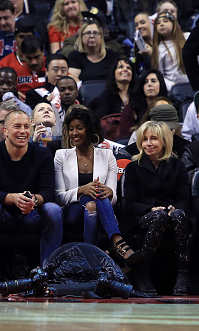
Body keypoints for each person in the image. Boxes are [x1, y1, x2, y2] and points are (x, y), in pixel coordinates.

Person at [0, 109, 63, 293]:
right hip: (4, 214)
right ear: (5, 130)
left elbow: (48, 193)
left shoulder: (43, 155)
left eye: (26, 126)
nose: (23, 131)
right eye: (17, 126)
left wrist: (34, 199)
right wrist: (13, 198)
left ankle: (48, 275)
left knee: (54, 209)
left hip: (32, 214)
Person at [54, 106, 141, 260]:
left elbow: (112, 198)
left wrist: (110, 192)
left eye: (79, 128)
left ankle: (89, 258)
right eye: (71, 128)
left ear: (90, 129)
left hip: (98, 209)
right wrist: (82, 190)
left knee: (93, 203)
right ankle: (117, 241)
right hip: (71, 213)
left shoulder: (107, 156)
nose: (74, 133)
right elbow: (59, 198)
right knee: (95, 196)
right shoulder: (61, 156)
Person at [123, 121, 191, 296]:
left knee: (179, 215)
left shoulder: (178, 166)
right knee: (159, 216)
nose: (148, 143)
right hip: (143, 216)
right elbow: (130, 203)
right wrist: (150, 210)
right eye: (144, 139)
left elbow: (185, 199)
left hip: (172, 215)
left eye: (153, 138)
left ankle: (183, 275)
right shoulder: (133, 167)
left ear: (165, 141)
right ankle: (142, 273)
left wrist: (174, 208)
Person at [119, 69, 168, 139]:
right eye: (145, 82)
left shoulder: (168, 105)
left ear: (161, 84)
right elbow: (124, 139)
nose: (149, 84)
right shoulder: (131, 109)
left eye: (153, 81)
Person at [151, 11, 188, 90]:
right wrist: (172, 86)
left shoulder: (187, 38)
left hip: (192, 84)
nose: (161, 24)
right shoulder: (159, 49)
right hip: (173, 89)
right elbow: (159, 74)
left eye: (165, 21)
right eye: (158, 23)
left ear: (173, 23)